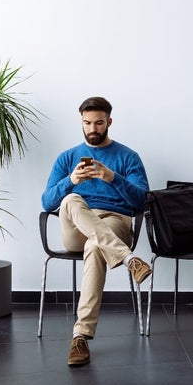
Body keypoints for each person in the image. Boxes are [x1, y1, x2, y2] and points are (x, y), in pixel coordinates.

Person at [41, 96, 151, 366]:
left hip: (115, 221)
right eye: (88, 123)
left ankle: (80, 336)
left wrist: (112, 177)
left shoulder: (128, 157)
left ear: (109, 122)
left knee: (95, 245)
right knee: (69, 200)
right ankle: (128, 259)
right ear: (81, 122)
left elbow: (142, 201)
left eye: (99, 123)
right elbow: (46, 202)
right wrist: (71, 181)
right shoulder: (67, 158)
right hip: (76, 225)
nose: (93, 129)